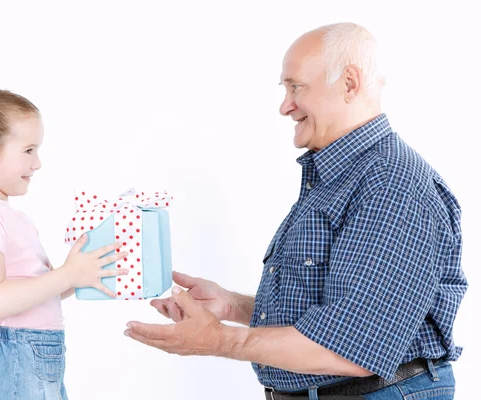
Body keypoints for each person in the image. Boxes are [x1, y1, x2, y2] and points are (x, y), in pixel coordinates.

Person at [124, 22, 468, 400]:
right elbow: (334, 311)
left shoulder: (390, 183)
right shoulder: (342, 174)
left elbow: (354, 344)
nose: (285, 105)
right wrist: (233, 305)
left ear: (349, 83)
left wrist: (217, 340)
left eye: (296, 87)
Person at [0, 89, 129, 399]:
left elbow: (39, 291)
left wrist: (79, 273)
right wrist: (66, 275)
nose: (37, 163)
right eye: (28, 150)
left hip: (34, 359)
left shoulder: (9, 216)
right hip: (13, 359)